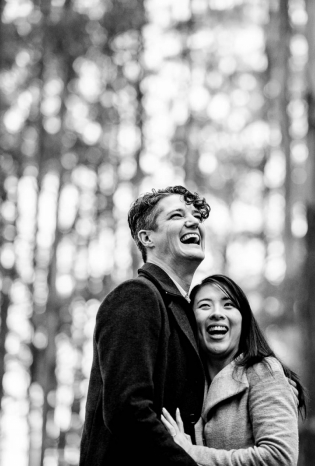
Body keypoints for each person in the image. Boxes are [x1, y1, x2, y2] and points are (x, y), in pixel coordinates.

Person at [80, 186, 211, 465]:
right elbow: (127, 411)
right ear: (147, 237)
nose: (194, 221)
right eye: (177, 215)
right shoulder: (136, 296)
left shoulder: (184, 310)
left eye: (196, 215)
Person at [160, 274, 306, 466]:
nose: (217, 313)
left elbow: (278, 458)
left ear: (243, 320)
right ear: (189, 323)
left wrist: (193, 452)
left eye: (228, 305)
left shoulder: (263, 372)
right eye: (204, 306)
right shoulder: (184, 385)